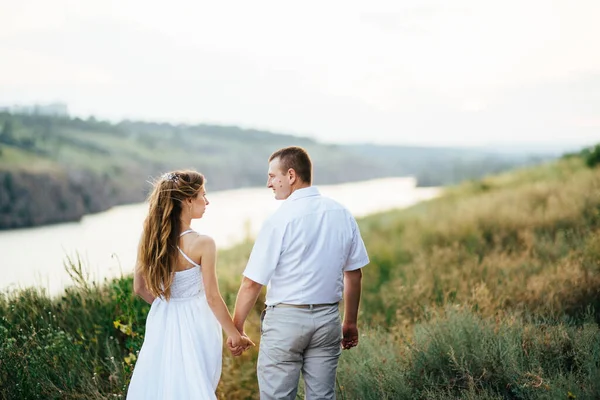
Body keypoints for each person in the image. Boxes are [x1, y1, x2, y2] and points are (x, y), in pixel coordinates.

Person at [230, 147, 369, 400]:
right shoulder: (342, 213)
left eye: (273, 176)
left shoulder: (279, 220)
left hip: (286, 323)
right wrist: (349, 322)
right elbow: (354, 274)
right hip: (328, 320)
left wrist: (236, 328)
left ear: (291, 175)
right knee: (322, 397)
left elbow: (251, 283)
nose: (269, 183)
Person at [127, 170, 254, 400]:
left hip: (162, 318)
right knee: (195, 384)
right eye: (202, 195)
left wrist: (168, 306)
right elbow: (212, 297)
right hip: (197, 322)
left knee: (163, 383)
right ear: (187, 200)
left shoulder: (150, 237)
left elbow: (139, 288)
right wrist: (233, 334)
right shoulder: (202, 243)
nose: (207, 201)